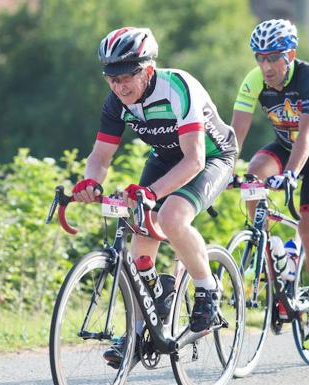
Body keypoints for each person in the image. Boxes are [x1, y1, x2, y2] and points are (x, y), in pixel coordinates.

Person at [72, 26, 237, 368]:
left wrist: (151, 192)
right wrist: (88, 183)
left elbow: (194, 160)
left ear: (147, 69)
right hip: (164, 158)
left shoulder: (178, 87)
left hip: (210, 156)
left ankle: (207, 289)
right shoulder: (115, 102)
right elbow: (100, 156)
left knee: (172, 217)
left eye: (127, 76)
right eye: (111, 78)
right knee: (139, 238)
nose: (119, 86)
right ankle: (141, 324)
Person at [231, 19, 309, 350]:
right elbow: (235, 136)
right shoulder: (254, 81)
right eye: (259, 58)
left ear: (290, 55)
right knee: (253, 174)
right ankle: (275, 250)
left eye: (272, 58)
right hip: (284, 143)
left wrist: (292, 173)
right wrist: (223, 169)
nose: (265, 66)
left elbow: (308, 135)